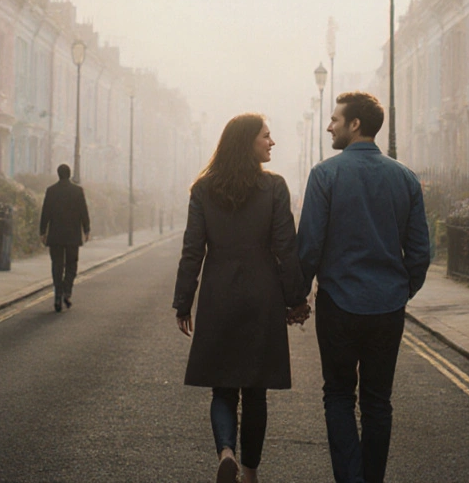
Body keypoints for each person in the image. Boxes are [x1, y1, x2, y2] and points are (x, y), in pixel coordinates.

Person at [295, 91, 430, 483]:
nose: (329, 125)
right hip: (387, 307)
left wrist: (298, 295)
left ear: (355, 124)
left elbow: (309, 246)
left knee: (338, 394)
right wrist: (402, 289)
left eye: (335, 119)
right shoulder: (405, 178)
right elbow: (420, 250)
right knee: (377, 401)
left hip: (338, 303)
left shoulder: (325, 174)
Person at [173, 114, 306, 483]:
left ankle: (226, 451)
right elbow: (285, 247)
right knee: (256, 389)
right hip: (262, 294)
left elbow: (192, 250)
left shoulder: (202, 189)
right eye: (266, 136)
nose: (272, 142)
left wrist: (183, 301)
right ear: (247, 141)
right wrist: (296, 298)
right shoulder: (275, 187)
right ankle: (249, 473)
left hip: (218, 294)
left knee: (223, 386)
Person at [38, 163, 91, 312]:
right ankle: (67, 291)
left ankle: (57, 295)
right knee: (71, 264)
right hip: (72, 235)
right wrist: (86, 229)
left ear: (58, 174)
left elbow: (45, 212)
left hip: (55, 235)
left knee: (57, 266)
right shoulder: (77, 191)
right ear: (69, 174)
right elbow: (83, 212)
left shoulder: (51, 191)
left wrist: (42, 231)